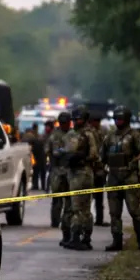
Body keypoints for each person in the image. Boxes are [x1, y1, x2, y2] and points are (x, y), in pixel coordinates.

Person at [102, 107, 140, 250]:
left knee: (134, 210)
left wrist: (133, 161)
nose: (118, 121)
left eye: (120, 119)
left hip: (130, 177)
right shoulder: (109, 137)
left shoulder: (134, 135)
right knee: (114, 212)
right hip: (113, 177)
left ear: (126, 119)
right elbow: (102, 156)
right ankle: (117, 241)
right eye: (116, 119)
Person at [62, 106, 101, 250]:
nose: (76, 121)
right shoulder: (71, 134)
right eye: (75, 119)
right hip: (73, 172)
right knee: (80, 207)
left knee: (79, 207)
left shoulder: (89, 134)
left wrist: (80, 158)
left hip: (83, 172)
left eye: (78, 119)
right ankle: (82, 237)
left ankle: (79, 237)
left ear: (84, 119)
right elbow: (66, 151)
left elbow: (94, 154)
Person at [46, 111, 73, 235]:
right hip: (57, 169)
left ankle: (67, 221)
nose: (64, 125)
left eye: (66, 123)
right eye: (62, 123)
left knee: (69, 198)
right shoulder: (54, 135)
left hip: (69, 169)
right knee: (56, 198)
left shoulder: (73, 134)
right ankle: (55, 221)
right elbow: (47, 150)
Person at [89, 113, 108, 226]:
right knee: (87, 196)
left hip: (100, 168)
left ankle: (99, 219)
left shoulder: (103, 132)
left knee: (99, 196)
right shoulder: (89, 133)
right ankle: (86, 220)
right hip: (90, 167)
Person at [28, 122, 48, 191]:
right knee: (41, 172)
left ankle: (36, 185)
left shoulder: (32, 135)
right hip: (40, 156)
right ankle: (42, 186)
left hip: (37, 156)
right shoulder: (38, 136)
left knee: (36, 172)